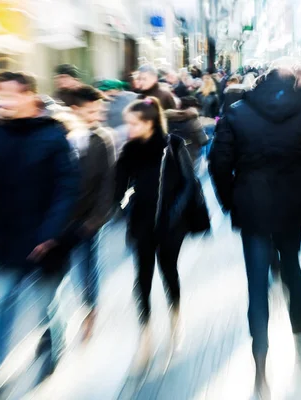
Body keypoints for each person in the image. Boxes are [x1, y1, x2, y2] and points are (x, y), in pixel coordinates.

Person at [208, 68, 301, 398]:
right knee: (292, 269)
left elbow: (218, 163)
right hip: (291, 203)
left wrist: (230, 201)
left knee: (256, 282)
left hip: (251, 206)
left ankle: (261, 362)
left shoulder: (237, 113)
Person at [0, 71, 78, 398]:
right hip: (8, 238)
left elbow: (66, 190)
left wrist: (50, 233)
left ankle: (57, 346)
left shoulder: (53, 136)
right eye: (0, 95)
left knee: (49, 305)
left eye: (10, 95)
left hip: (43, 241)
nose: (3, 102)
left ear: (29, 96)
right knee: (2, 307)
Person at [115, 97, 210, 369]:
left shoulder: (173, 145)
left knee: (169, 272)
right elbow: (119, 190)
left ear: (149, 122)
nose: (128, 129)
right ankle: (145, 336)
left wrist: (173, 215)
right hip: (141, 226)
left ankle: (175, 321)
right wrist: (126, 206)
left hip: (170, 226)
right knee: (142, 279)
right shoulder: (129, 151)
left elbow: (189, 183)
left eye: (133, 124)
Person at [54, 85, 116, 342]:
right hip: (60, 219)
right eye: (92, 111)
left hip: (88, 220)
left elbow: (108, 183)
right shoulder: (58, 136)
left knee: (88, 269)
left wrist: (97, 219)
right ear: (75, 110)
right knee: (58, 275)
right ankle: (54, 330)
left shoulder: (103, 139)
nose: (97, 115)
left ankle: (90, 310)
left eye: (100, 110)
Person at [165, 96, 209, 169]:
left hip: (169, 155)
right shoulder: (193, 120)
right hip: (190, 156)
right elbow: (203, 140)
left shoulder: (166, 118)